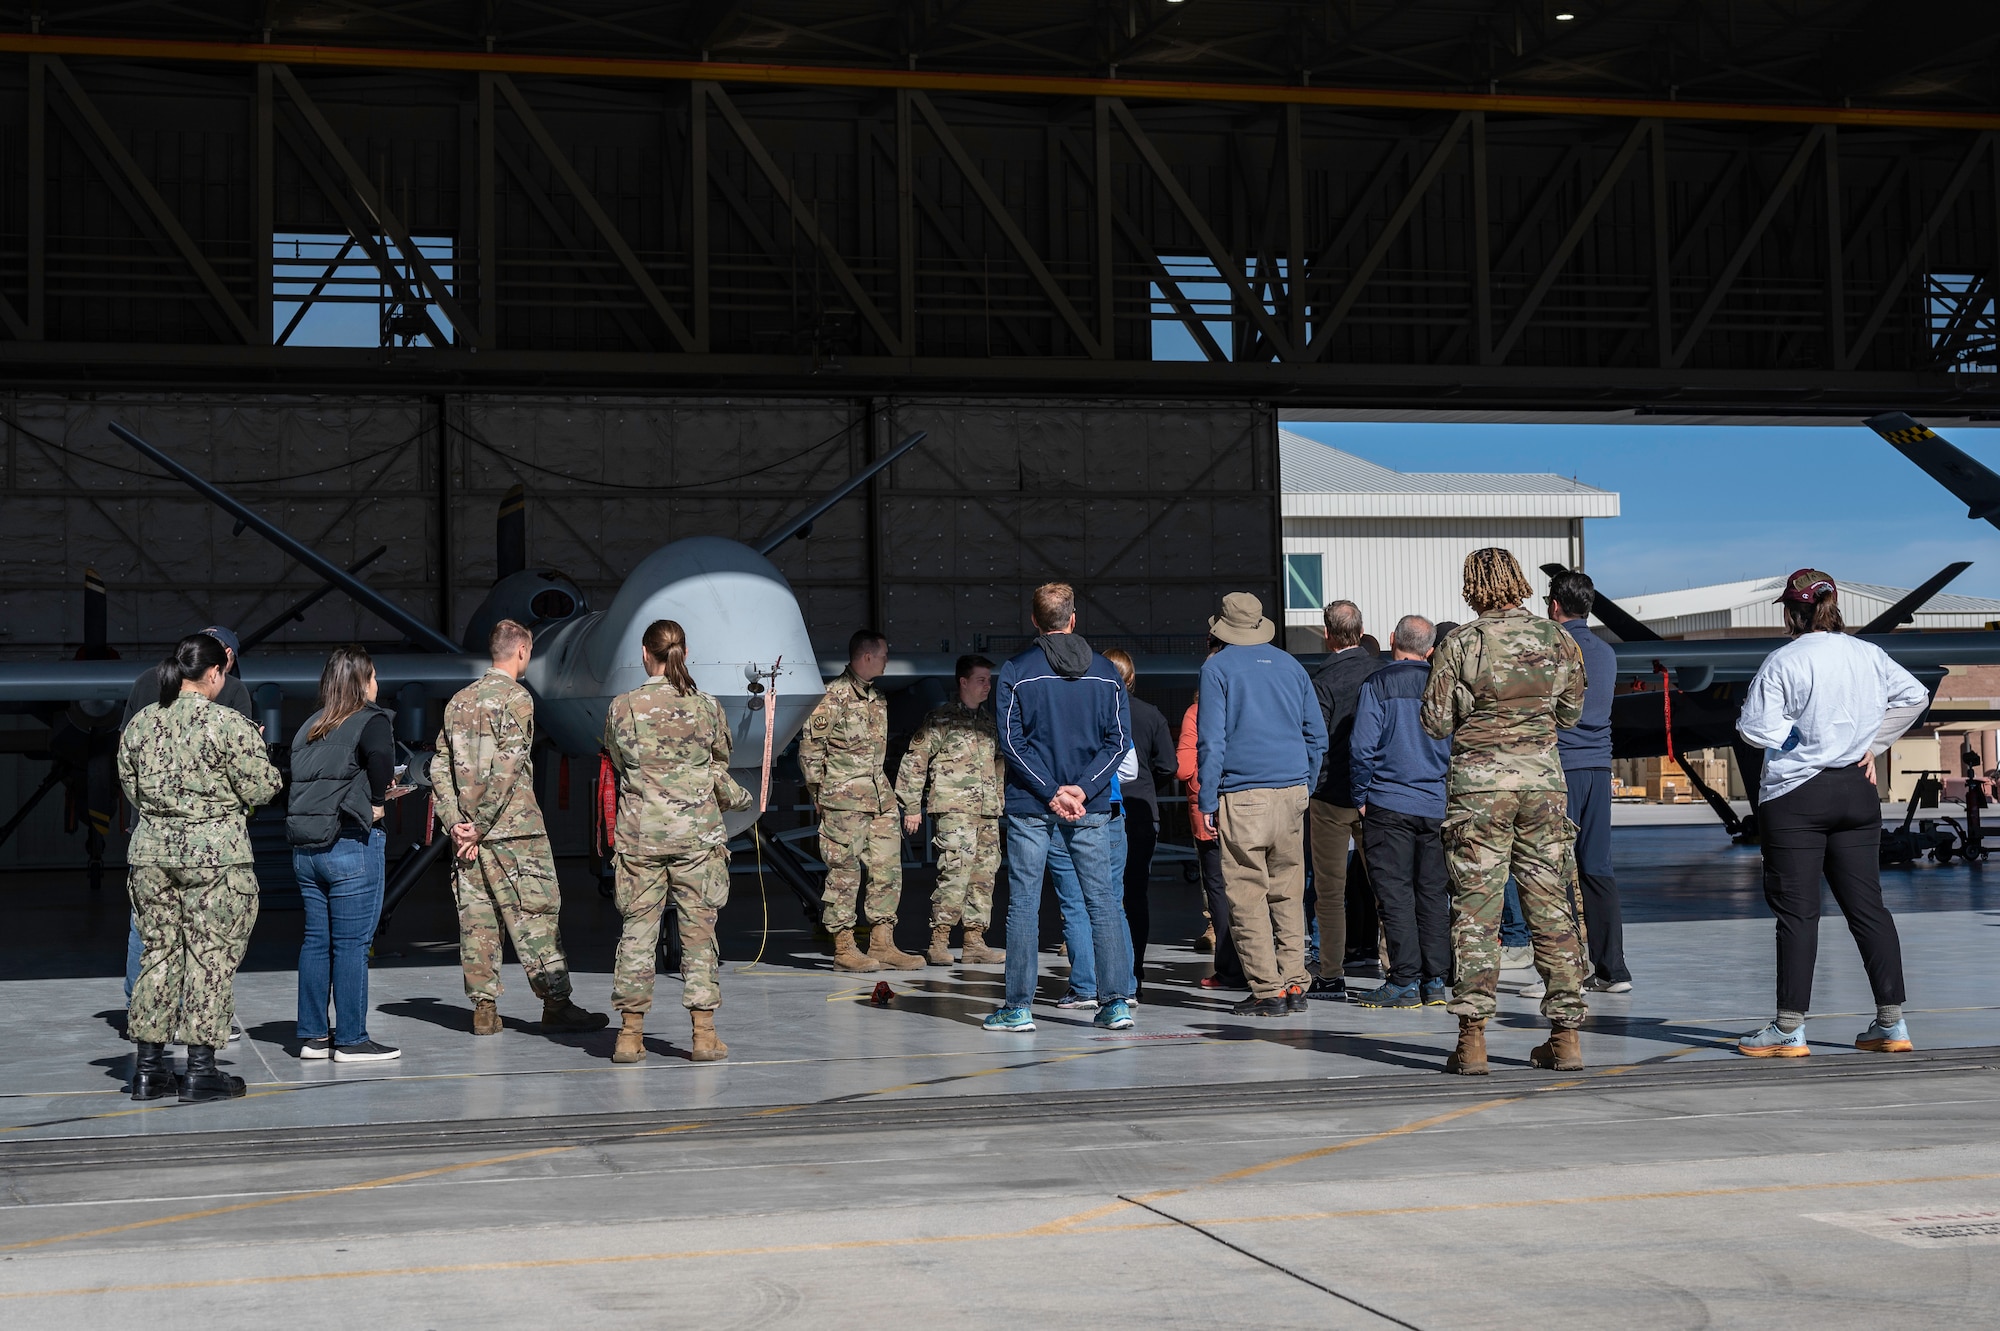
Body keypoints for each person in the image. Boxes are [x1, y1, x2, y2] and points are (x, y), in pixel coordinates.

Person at [1735, 570, 1928, 1058]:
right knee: (1869, 909)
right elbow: (1914, 697)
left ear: (1790, 612)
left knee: (1798, 914)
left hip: (1797, 795)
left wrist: (1798, 740)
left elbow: (1755, 730)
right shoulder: (1868, 654)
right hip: (1857, 791)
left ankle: (1788, 1029)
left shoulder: (1784, 660)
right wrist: (1873, 744)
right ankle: (1892, 1024)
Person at [1421, 549, 1589, 1075]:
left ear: (1472, 585)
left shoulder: (1462, 642)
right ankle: (1565, 1037)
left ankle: (1472, 1040)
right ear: (1518, 581)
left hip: (1479, 790)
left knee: (1476, 913)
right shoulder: (1558, 639)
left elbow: (1435, 722)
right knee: (1550, 907)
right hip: (1543, 786)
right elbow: (1571, 711)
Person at [117, 632, 282, 1102]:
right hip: (216, 859)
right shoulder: (228, 725)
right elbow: (263, 789)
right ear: (213, 673)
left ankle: (149, 1069)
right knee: (210, 960)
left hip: (152, 856)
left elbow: (130, 788)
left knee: (158, 955)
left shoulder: (143, 724)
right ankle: (201, 1070)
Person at [431, 619, 607, 1037]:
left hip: (467, 837)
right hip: (514, 835)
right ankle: (556, 1003)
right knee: (536, 917)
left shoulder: (458, 701)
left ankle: (484, 1009)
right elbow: (508, 769)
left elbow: (438, 765)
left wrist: (457, 823)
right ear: (522, 651)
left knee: (478, 921)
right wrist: (481, 825)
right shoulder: (517, 699)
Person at [601, 619, 754, 1064]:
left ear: (644, 654)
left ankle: (629, 1036)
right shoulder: (707, 706)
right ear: (684, 654)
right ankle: (704, 1035)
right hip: (697, 839)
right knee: (700, 936)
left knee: (636, 934)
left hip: (641, 838)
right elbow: (718, 762)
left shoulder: (622, 707)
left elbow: (617, 759)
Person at [984, 582, 1134, 1033]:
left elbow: (1012, 742)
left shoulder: (1016, 670)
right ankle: (1115, 1003)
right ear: (1072, 619)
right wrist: (1084, 790)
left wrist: (1051, 790)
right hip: (1090, 806)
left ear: (1035, 622)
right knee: (1102, 902)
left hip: (1031, 803)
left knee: (1024, 905)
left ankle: (1018, 1007)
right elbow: (1119, 740)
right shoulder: (1108, 674)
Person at [1196, 593, 1328, 1018]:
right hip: (1292, 792)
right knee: (1288, 892)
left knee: (1247, 895)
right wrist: (1304, 781)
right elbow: (1316, 736)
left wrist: (1206, 797)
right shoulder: (1291, 665)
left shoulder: (1216, 668)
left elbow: (1212, 741)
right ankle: (1295, 983)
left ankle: (1267, 990)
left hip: (1242, 794)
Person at [120, 624, 254, 1027]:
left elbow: (127, 766)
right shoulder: (230, 693)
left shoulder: (146, 684)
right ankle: (202, 1028)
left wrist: (146, 810)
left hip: (150, 832)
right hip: (209, 841)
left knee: (150, 931)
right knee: (207, 934)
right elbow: (256, 783)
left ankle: (145, 1016)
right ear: (222, 660)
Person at [284, 645, 404, 1063]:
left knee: (316, 941)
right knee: (352, 945)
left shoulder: (308, 727)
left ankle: (314, 1037)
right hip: (351, 845)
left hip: (308, 852)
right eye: (373, 675)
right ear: (362, 681)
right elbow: (382, 759)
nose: (378, 683)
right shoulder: (370, 721)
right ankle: (352, 1039)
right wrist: (377, 798)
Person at [799, 629, 921, 972]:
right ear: (867, 657)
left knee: (887, 871)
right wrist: (819, 794)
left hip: (879, 799)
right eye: (884, 654)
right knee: (844, 872)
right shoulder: (831, 698)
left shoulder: (877, 698)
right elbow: (810, 752)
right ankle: (844, 947)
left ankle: (882, 943)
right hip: (844, 801)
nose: (887, 660)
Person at [1349, 615, 1453, 1008]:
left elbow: (1362, 748)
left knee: (1394, 895)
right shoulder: (1443, 684)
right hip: (1437, 805)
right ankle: (1435, 981)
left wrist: (1360, 794)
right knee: (1432, 894)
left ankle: (1404, 978)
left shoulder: (1378, 683)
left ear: (1393, 640)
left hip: (1388, 803)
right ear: (1430, 649)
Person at [1546, 569, 1630, 994]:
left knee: (1554, 871)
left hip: (1560, 769)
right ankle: (1613, 969)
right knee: (1597, 868)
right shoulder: (1607, 653)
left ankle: (1566, 972)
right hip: (1598, 768)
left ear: (1555, 605)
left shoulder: (1551, 648)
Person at [896, 655, 1006, 967]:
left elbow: (999, 768)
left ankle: (974, 941)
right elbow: (914, 763)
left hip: (986, 812)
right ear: (963, 682)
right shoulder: (940, 720)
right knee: (955, 874)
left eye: (989, 679)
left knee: (984, 877)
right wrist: (912, 807)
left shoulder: (989, 723)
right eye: (981, 679)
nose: (988, 686)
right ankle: (939, 941)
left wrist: (998, 804)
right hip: (955, 810)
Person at [1306, 600, 1377, 999]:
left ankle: (1331, 974)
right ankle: (1399, 969)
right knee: (1387, 886)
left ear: (1327, 633)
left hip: (1330, 794)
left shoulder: (1322, 678)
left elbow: (1316, 740)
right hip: (1376, 796)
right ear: (1360, 629)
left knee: (1330, 892)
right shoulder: (1378, 672)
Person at [1103, 648, 1177, 999]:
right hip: (1143, 813)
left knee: (1100, 895)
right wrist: (1147, 787)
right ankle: (1135, 973)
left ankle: (1102, 976)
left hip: (1101, 810)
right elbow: (1169, 765)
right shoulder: (1150, 715)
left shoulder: (1095, 712)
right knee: (1136, 896)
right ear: (1132, 679)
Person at [1178, 661, 1244, 990]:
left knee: (1218, 891)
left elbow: (1183, 767)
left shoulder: (1196, 713)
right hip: (1247, 810)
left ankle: (1230, 970)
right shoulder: (1246, 707)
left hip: (1209, 814)